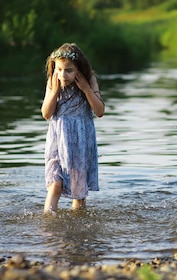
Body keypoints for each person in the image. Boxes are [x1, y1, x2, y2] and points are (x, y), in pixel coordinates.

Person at [41, 43, 105, 214]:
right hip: (57, 140)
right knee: (55, 184)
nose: (63, 75)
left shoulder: (90, 80)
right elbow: (46, 114)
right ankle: (48, 223)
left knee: (79, 194)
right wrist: (54, 91)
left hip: (80, 142)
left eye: (69, 70)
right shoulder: (54, 81)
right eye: (59, 69)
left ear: (80, 69)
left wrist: (86, 89)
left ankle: (78, 229)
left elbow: (99, 111)